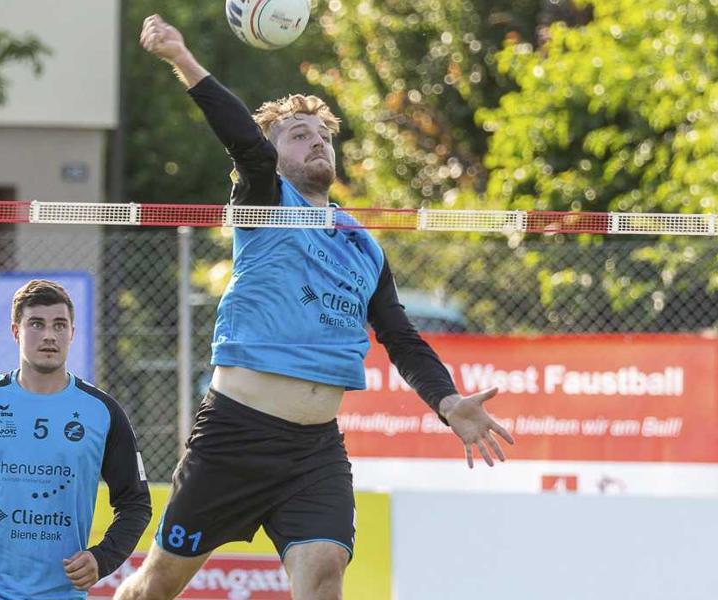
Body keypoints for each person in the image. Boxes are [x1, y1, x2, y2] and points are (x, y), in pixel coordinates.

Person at [114, 15, 517, 600]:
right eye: (298, 134)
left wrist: (448, 400)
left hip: (314, 450)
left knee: (325, 571)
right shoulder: (265, 200)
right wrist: (183, 59)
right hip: (234, 435)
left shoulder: (363, 243)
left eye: (321, 134)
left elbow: (401, 339)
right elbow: (244, 142)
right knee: (156, 586)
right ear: (274, 157)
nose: (316, 140)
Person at [0, 279, 152, 600]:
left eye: (59, 325)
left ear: (72, 333)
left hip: (58, 593)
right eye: (36, 324)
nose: (49, 335)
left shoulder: (102, 412)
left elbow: (135, 503)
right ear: (16, 331)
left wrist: (102, 557)